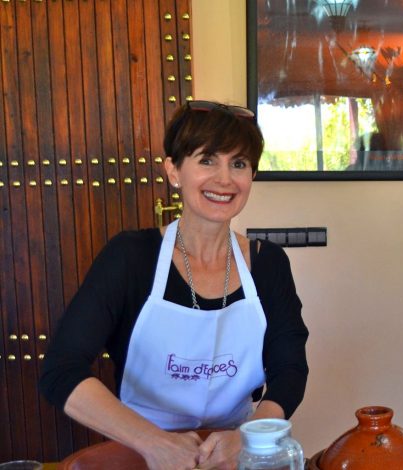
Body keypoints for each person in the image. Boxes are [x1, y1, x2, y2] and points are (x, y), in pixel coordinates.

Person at [40, 100, 309, 469]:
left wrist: (249, 436)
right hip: (141, 452)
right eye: (207, 160)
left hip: (232, 452)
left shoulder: (269, 263)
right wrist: (154, 443)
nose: (225, 179)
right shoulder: (130, 258)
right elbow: (61, 370)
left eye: (239, 163)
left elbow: (289, 369)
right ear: (173, 170)